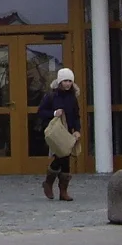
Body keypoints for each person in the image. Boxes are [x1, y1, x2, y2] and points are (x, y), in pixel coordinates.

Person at [38, 67, 82, 200]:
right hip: (55, 132)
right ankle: (54, 187)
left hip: (67, 132)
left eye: (70, 81)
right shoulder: (51, 96)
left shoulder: (73, 97)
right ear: (60, 81)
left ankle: (55, 187)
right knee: (62, 157)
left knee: (64, 158)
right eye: (65, 81)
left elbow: (75, 115)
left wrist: (77, 130)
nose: (68, 84)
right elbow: (40, 112)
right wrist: (54, 113)